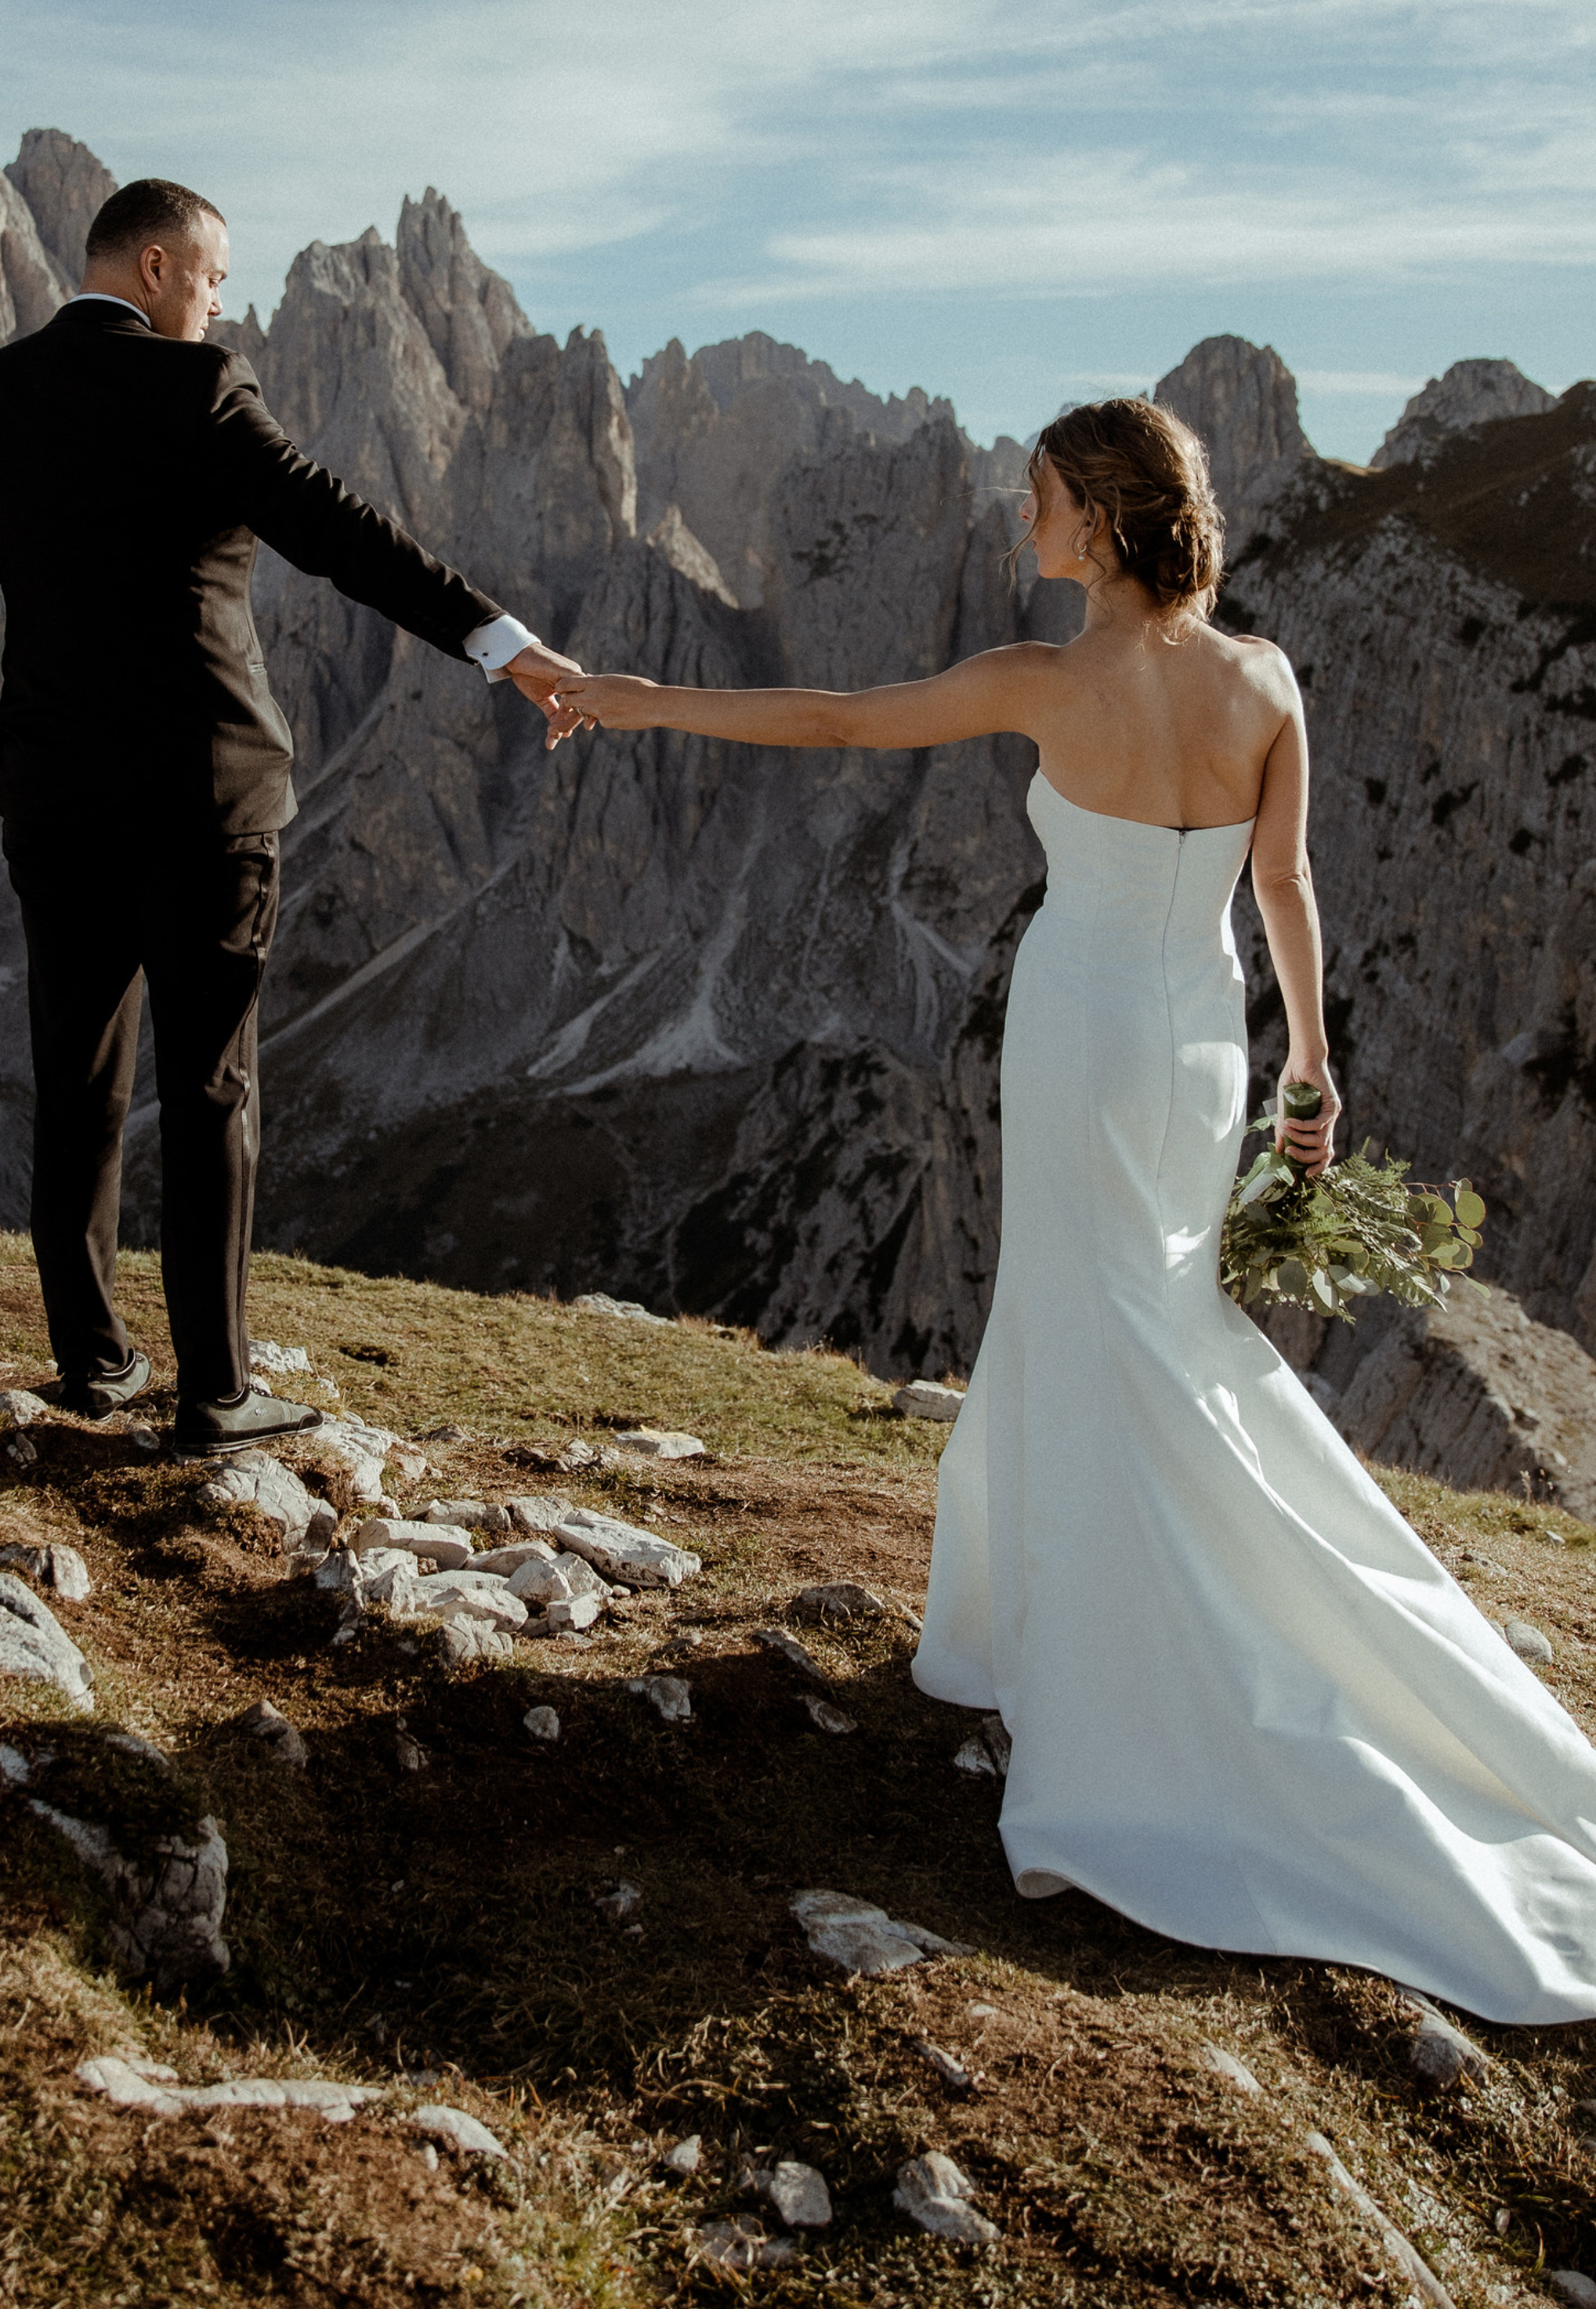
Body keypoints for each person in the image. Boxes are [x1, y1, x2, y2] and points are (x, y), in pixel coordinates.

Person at [554, 396, 1596, 2023]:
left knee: (1082, 1318)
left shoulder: (1042, 682)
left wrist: (631, 699)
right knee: (1154, 1319)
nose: (1016, 521)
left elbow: (833, 719)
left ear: (1101, 522)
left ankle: (1126, 1670)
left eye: (1038, 499)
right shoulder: (1261, 679)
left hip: (1077, 1031)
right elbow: (1285, 888)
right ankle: (1137, 1614)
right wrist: (1307, 1066)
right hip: (1199, 1040)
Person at [0, 177, 581, 1460]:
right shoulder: (198, 389)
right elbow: (344, 537)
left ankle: (93, 1363)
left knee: (77, 1082)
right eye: (215, 280)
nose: (223, 304)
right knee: (212, 1084)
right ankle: (214, 1395)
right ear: (157, 269)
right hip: (207, 796)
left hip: (54, 800)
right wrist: (507, 648)